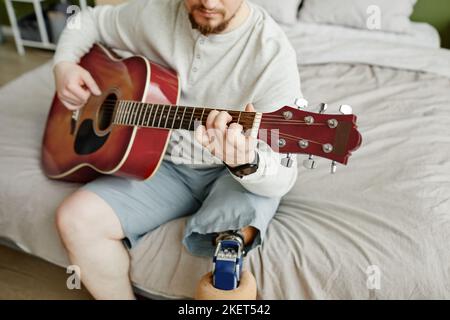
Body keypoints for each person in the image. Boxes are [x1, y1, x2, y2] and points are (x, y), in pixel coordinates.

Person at [53, 0, 302, 299]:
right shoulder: (153, 13)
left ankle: (229, 241)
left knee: (241, 221)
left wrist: (245, 161)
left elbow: (284, 174)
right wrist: (64, 64)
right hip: (160, 164)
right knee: (75, 219)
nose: (208, 3)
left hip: (231, 173)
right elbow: (89, 20)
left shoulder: (273, 54)